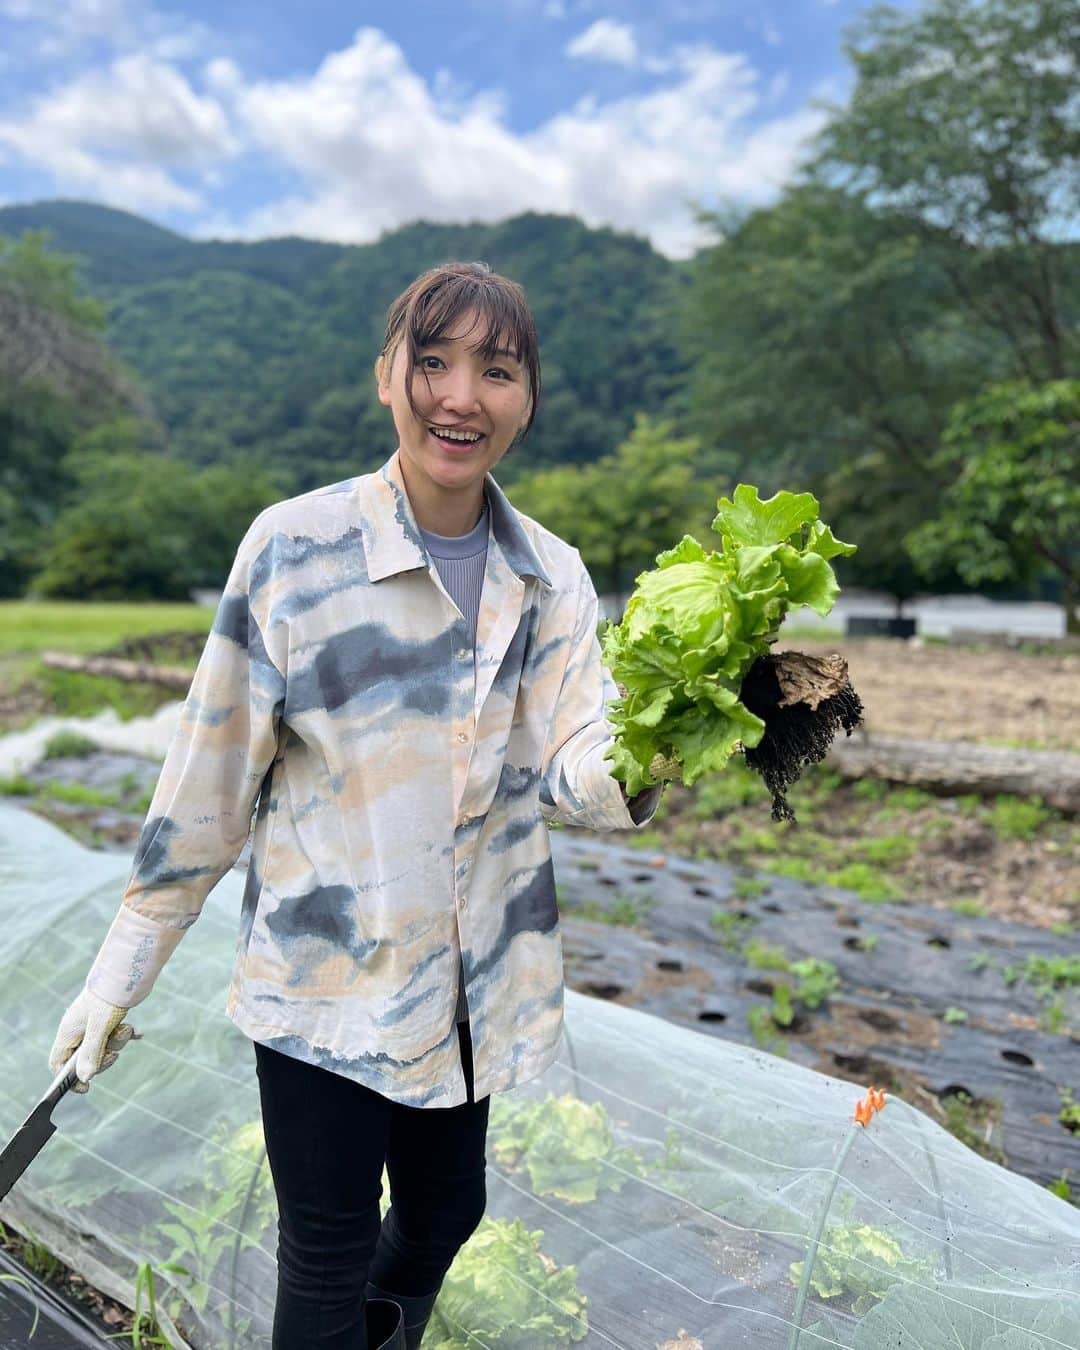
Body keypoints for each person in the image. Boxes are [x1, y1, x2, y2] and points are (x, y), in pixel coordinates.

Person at [48, 260, 673, 1349]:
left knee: (445, 1213)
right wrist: (118, 976)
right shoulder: (297, 549)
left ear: (529, 398)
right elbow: (208, 780)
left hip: (468, 986)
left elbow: (578, 762)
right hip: (322, 984)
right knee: (327, 1249)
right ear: (385, 376)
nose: (460, 396)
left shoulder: (551, 575)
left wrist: (667, 736)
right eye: (431, 362)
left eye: (496, 369)